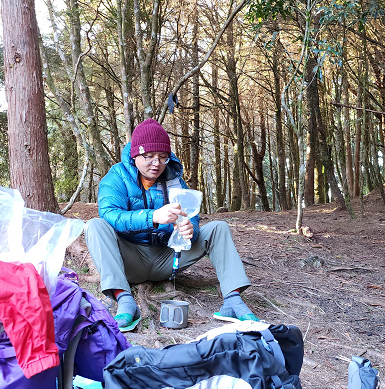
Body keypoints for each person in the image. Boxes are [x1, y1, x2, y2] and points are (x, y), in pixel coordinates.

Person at [85, 118, 258, 332]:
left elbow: (191, 216)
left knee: (218, 228)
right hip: (130, 260)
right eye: (148, 156)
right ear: (135, 155)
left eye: (162, 157)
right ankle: (125, 301)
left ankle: (232, 301)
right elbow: (111, 215)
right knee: (95, 225)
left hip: (168, 257)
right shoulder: (116, 177)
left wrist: (190, 229)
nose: (156, 163)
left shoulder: (174, 178)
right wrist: (153, 216)